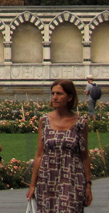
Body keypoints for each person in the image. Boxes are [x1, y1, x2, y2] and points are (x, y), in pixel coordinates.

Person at [27, 79, 92, 212]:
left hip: (72, 180)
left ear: (70, 97)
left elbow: (84, 156)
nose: (55, 98)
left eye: (59, 94)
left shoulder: (80, 123)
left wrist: (88, 185)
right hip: (47, 180)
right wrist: (32, 185)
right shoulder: (44, 121)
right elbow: (39, 154)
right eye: (53, 93)